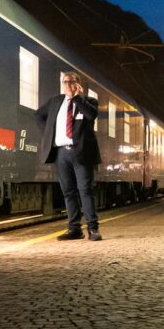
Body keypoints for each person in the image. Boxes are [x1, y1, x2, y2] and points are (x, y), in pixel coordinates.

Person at [36, 71, 102, 241]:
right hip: (61, 154)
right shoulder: (55, 102)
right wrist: (49, 133)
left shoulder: (88, 101)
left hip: (81, 154)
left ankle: (93, 229)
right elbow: (38, 115)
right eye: (65, 82)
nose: (67, 85)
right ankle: (74, 229)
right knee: (68, 192)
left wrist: (78, 98)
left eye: (71, 82)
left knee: (85, 190)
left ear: (78, 84)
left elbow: (91, 115)